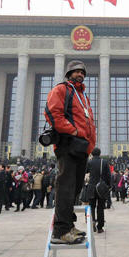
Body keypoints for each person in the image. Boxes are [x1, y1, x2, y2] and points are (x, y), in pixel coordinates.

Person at [44, 60, 96, 244]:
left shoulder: (82, 95)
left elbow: (88, 121)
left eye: (82, 71)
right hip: (68, 144)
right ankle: (60, 231)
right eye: (76, 71)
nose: (80, 74)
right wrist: (73, 130)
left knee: (75, 187)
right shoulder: (62, 89)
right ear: (69, 74)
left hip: (81, 147)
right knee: (65, 187)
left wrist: (90, 142)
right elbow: (52, 113)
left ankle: (69, 224)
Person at [85, 148, 111, 233]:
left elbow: (85, 172)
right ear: (100, 154)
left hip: (91, 187)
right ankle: (100, 227)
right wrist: (108, 186)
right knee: (100, 207)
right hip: (101, 188)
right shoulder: (104, 162)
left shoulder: (89, 162)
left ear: (92, 154)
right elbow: (108, 175)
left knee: (91, 206)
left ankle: (92, 221)